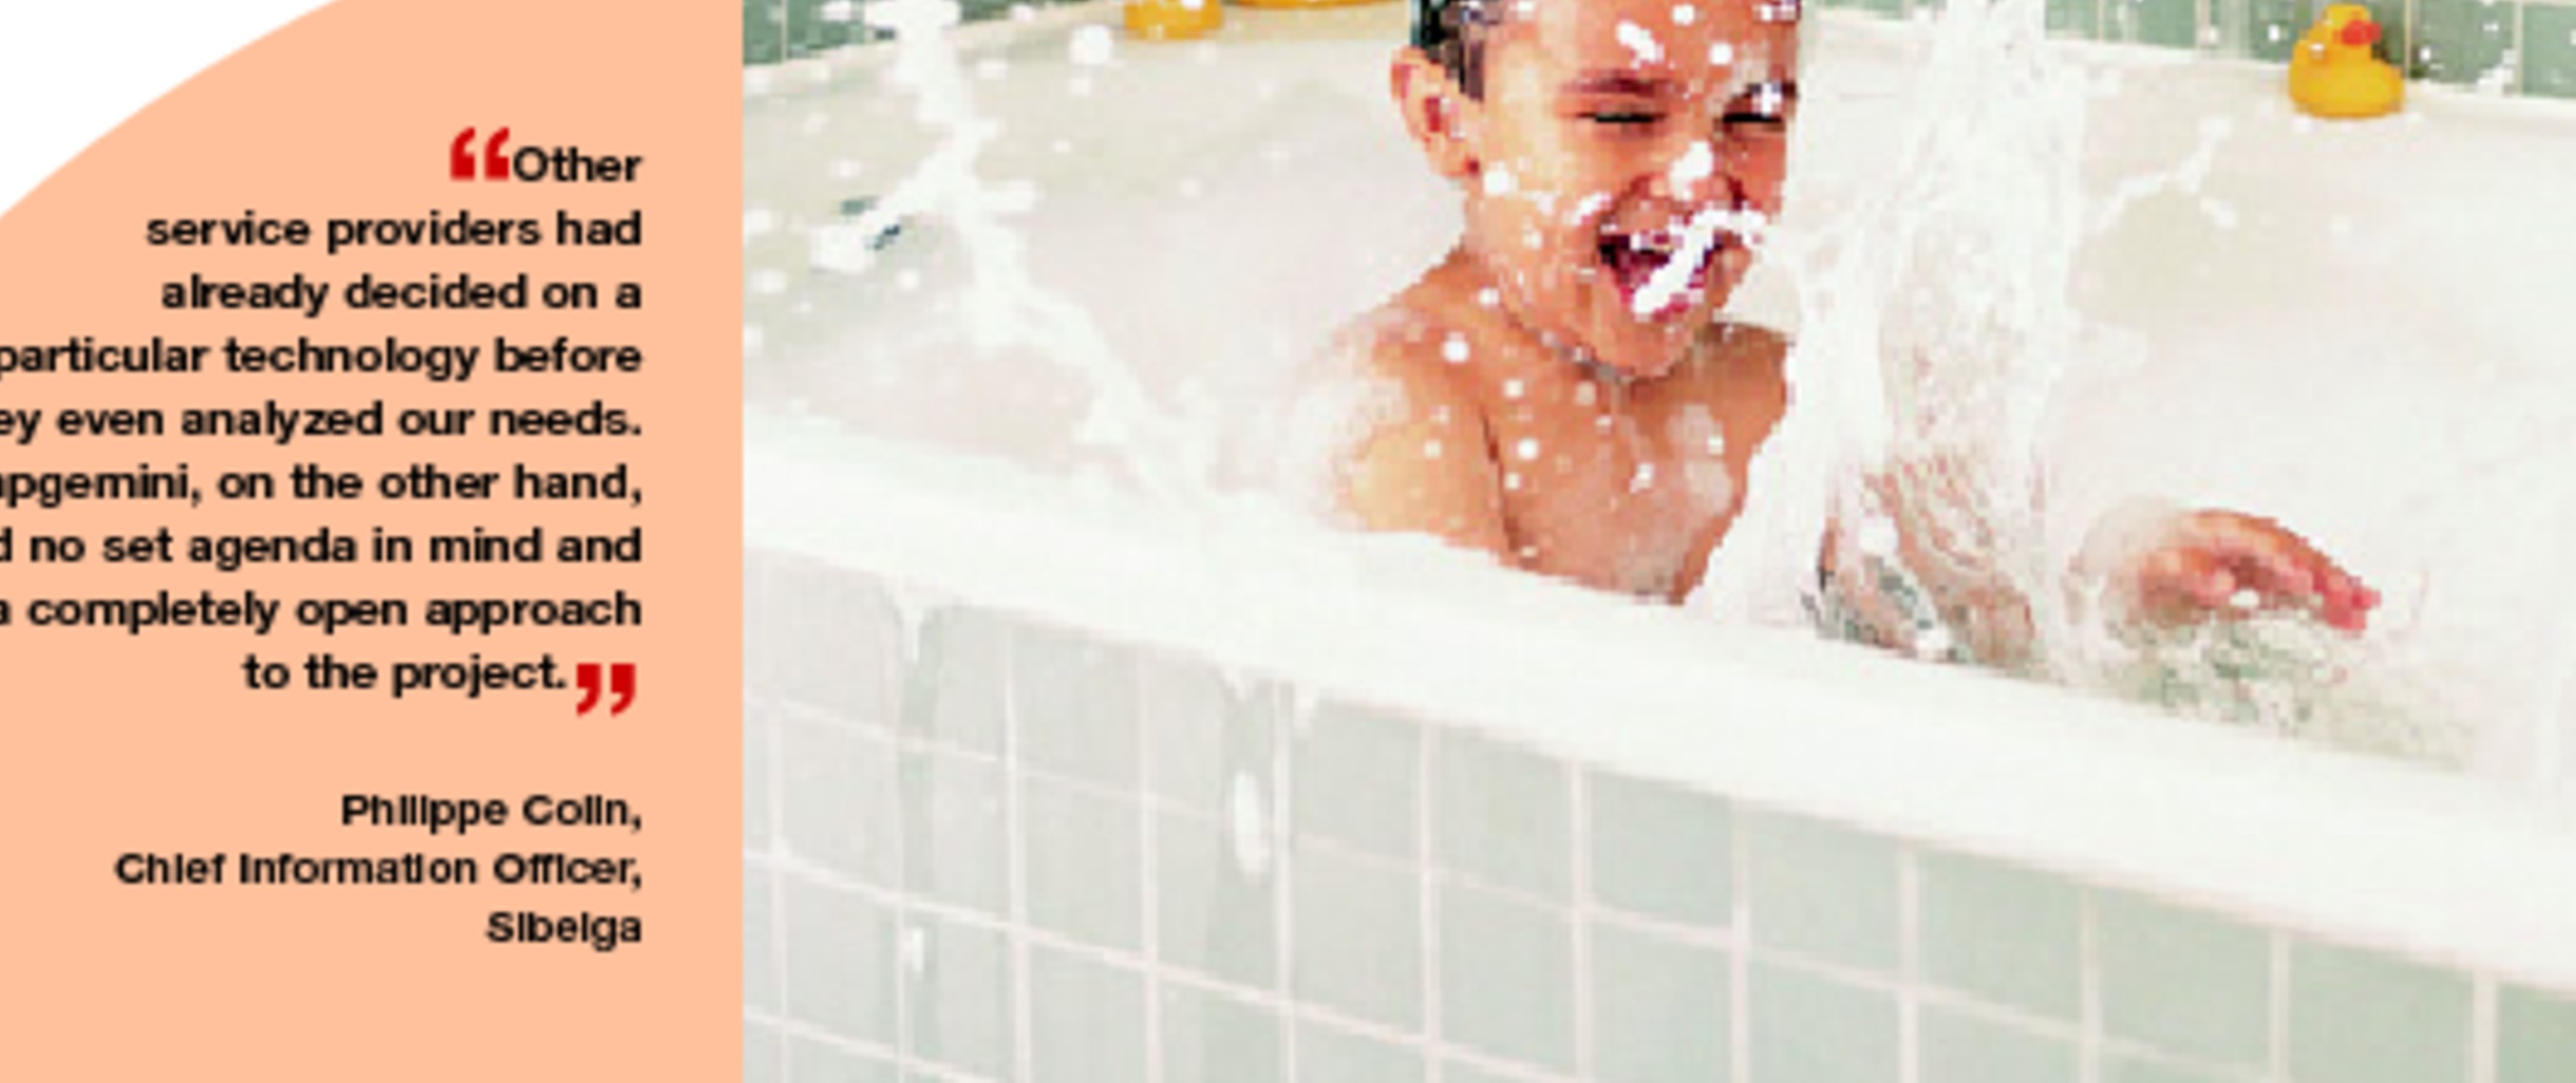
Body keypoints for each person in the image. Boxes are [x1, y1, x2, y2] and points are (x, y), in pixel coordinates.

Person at [1315, 0, 2378, 663]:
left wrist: (2132, 584)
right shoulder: (1412, 408)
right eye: (1623, 115)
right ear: (1445, 120)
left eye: (1752, 115)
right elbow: (1469, 759)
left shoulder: (1772, 390)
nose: (1700, 179)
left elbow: (1988, 626)